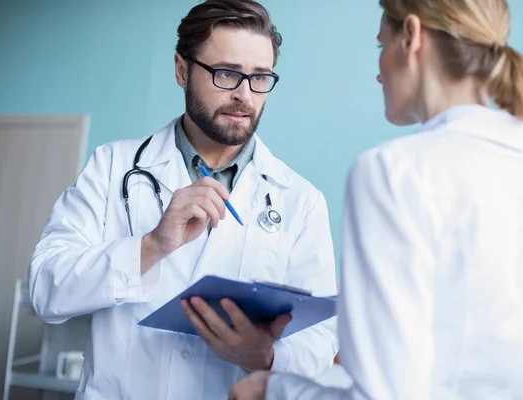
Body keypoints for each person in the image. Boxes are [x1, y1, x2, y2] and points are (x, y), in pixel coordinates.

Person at [229, 0, 523, 399]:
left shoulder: (393, 174)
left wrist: (274, 391)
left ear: (411, 35)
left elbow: (383, 394)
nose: (379, 73)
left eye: (382, 46)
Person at [27, 1, 338, 399]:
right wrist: (150, 247)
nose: (245, 94)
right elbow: (45, 290)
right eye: (227, 73)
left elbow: (321, 338)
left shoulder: (300, 199)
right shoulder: (112, 166)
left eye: (260, 78)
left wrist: (265, 357)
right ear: (181, 70)